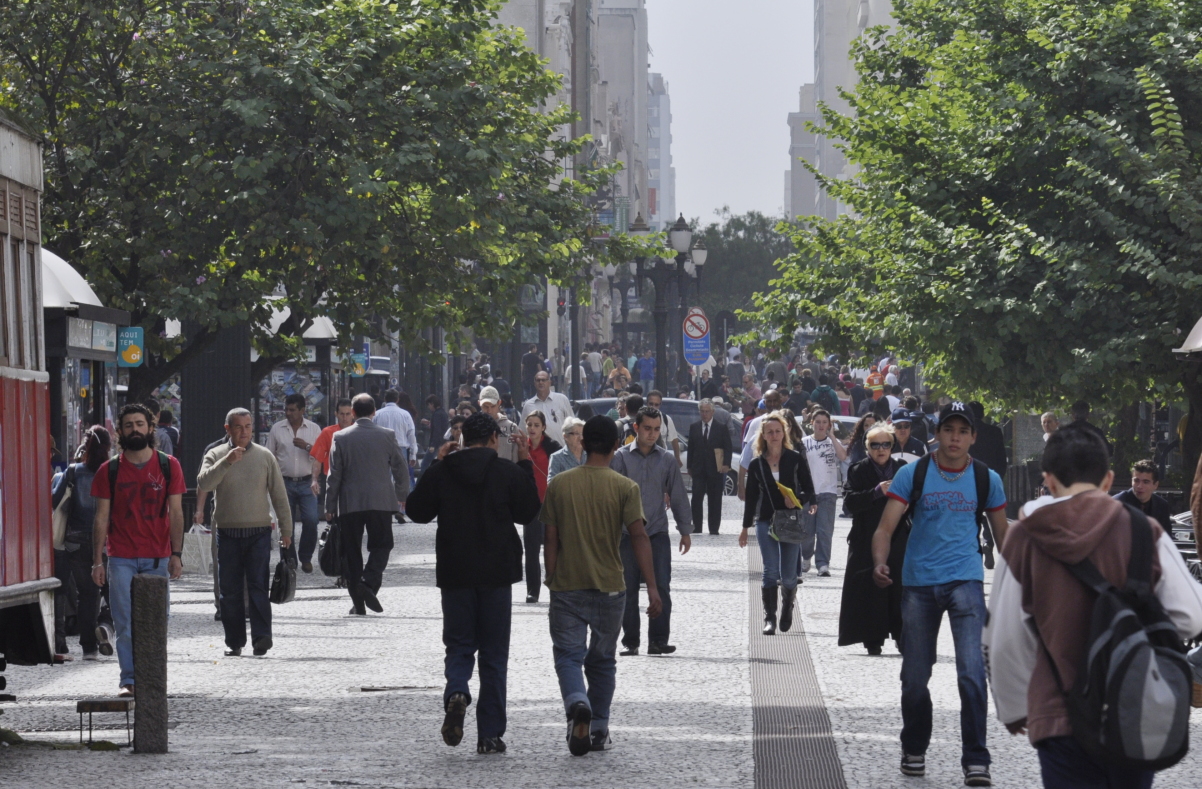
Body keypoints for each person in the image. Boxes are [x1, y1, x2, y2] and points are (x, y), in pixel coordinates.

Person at [984, 426, 1202, 789]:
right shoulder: (1142, 529)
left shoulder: (1025, 536)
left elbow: (1004, 634)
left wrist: (1014, 707)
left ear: (1049, 481)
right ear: (1109, 480)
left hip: (1058, 713)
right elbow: (1192, 615)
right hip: (1132, 708)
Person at [871, 401, 1009, 786]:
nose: (955, 438)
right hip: (919, 584)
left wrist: (1022, 582)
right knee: (915, 677)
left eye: (963, 431)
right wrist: (880, 562)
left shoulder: (986, 479)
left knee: (972, 673)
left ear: (973, 437)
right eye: (949, 429)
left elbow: (1004, 537)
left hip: (966, 581)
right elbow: (884, 528)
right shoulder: (913, 474)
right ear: (937, 434)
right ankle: (914, 746)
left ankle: (976, 759)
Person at [405, 411, 541, 755]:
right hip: (497, 573)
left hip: (456, 571)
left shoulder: (444, 471)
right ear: (494, 439)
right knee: (494, 654)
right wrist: (525, 462)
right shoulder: (506, 472)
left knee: (459, 643)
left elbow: (417, 511)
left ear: (462, 439)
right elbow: (529, 512)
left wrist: (436, 463)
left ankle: (457, 691)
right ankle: (490, 734)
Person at [541, 415, 662, 755]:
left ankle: (577, 703)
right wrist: (652, 587)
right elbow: (639, 537)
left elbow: (550, 538)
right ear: (616, 446)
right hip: (610, 587)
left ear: (582, 443)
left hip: (568, 584)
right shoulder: (625, 487)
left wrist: (551, 576)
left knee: (568, 656)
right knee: (603, 660)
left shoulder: (559, 485)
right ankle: (597, 728)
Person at [91, 404, 186, 695]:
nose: (135, 429)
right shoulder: (109, 470)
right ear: (120, 431)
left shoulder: (169, 465)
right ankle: (129, 680)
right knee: (124, 623)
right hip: (121, 557)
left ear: (150, 428)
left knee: (156, 622)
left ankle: (153, 679)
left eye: (140, 424)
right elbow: (101, 517)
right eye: (129, 425)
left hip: (158, 557)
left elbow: (176, 513)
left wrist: (176, 554)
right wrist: (97, 561)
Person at [198, 407, 293, 657]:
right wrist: (227, 461)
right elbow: (204, 482)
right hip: (227, 531)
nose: (244, 432)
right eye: (239, 427)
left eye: (248, 426)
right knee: (230, 591)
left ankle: (262, 638)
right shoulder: (215, 454)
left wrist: (286, 530)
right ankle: (235, 641)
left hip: (258, 531)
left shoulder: (264, 456)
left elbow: (279, 495)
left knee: (258, 586)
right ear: (227, 429)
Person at [611, 406, 691, 656]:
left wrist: (685, 530)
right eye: (647, 428)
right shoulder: (621, 458)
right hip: (626, 534)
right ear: (636, 428)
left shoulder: (666, 459)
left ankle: (658, 640)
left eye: (656, 429)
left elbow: (678, 495)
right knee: (628, 588)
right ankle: (630, 641)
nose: (652, 434)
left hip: (656, 532)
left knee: (662, 586)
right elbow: (610, 497)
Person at [324, 394, 410, 616]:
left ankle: (359, 602)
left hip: (350, 502)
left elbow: (334, 475)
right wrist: (402, 494)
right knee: (382, 545)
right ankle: (368, 583)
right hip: (380, 501)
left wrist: (329, 506)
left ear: (352, 413)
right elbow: (400, 467)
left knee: (352, 552)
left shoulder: (340, 437)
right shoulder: (387, 435)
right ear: (374, 412)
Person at [740, 413, 817, 635]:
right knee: (770, 570)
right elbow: (751, 498)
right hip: (766, 519)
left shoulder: (794, 458)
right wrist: (745, 528)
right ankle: (769, 617)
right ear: (763, 436)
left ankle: (788, 605)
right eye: (770, 432)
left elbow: (808, 488)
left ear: (784, 433)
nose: (774, 435)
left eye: (777, 431)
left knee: (789, 575)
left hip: (790, 519)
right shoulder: (757, 464)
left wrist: (798, 499)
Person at [839, 424, 907, 655]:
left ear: (892, 446)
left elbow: (916, 496)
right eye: (875, 445)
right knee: (868, 588)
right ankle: (872, 638)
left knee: (900, 586)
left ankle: (902, 634)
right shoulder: (859, 470)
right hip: (865, 536)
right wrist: (876, 491)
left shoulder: (902, 469)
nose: (881, 449)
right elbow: (849, 503)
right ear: (867, 448)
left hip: (898, 536)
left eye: (886, 444)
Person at [52, 426, 111, 660]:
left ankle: (89, 648)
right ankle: (106, 626)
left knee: (86, 594)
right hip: (106, 541)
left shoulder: (73, 471)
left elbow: (54, 500)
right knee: (112, 592)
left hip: (75, 541)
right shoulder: (113, 471)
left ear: (85, 447)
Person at [265, 393, 323, 573]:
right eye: (286, 410)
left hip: (306, 482)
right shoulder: (277, 429)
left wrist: (306, 446)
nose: (288, 413)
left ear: (302, 410)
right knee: (284, 524)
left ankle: (306, 556)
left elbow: (321, 455)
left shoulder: (314, 429)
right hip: (284, 482)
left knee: (311, 520)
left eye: (292, 410)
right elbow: (269, 455)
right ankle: (288, 559)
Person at [800, 410, 846, 577]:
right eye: (818, 422)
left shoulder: (834, 442)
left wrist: (832, 437)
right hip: (808, 492)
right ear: (812, 423)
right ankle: (806, 556)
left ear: (829, 424)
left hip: (828, 492)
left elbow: (843, 456)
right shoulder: (804, 442)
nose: (821, 425)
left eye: (824, 422)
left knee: (825, 531)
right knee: (807, 531)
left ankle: (823, 563)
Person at [522, 411, 561, 603]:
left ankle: (555, 586)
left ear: (543, 427)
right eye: (529, 425)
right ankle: (533, 590)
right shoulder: (522, 447)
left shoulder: (552, 446)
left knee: (553, 546)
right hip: (530, 503)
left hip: (550, 503)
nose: (532, 429)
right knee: (531, 549)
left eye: (536, 425)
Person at [688, 399, 733, 535]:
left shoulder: (721, 427)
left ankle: (714, 528)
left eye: (707, 411)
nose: (704, 414)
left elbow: (728, 447)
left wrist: (726, 464)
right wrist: (690, 466)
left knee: (715, 499)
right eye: (702, 411)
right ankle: (697, 527)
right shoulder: (694, 427)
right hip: (698, 469)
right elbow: (691, 448)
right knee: (696, 498)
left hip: (715, 469)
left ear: (712, 412)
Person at [737, 388, 785, 501]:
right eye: (769, 401)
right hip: (761, 482)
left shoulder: (789, 420)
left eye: (775, 401)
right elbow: (746, 456)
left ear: (780, 401)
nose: (772, 404)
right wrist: (741, 486)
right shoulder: (756, 423)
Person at [1112, 458, 1172, 526]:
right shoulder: (1117, 504)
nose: (1139, 486)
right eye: (1136, 481)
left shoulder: (1162, 506)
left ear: (1155, 485)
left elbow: (1165, 532)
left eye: (1145, 482)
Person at [521, 370, 574, 445]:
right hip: (538, 450)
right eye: (538, 380)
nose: (541, 382)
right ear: (534, 383)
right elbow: (523, 431)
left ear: (549, 382)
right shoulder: (528, 405)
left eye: (543, 380)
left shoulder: (562, 399)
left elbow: (572, 424)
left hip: (560, 448)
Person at [373, 388, 418, 469]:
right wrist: (413, 454)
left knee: (384, 474)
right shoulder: (405, 414)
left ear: (385, 399)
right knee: (401, 475)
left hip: (382, 449)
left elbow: (373, 433)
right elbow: (411, 434)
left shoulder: (377, 414)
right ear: (397, 400)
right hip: (400, 448)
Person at [477, 386, 520, 463]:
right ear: (479, 403)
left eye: (493, 406)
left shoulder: (511, 428)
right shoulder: (472, 427)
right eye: (485, 407)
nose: (489, 411)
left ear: (499, 403)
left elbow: (515, 458)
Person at [968, 402, 1008, 478]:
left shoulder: (962, 432)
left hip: (967, 476)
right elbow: (1001, 459)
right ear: (983, 414)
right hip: (990, 476)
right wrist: (998, 478)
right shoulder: (995, 432)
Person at [645, 390, 682, 465]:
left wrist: (677, 458)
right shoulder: (640, 419)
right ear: (647, 403)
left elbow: (674, 440)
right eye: (651, 404)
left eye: (656, 405)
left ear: (660, 404)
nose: (653, 407)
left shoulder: (666, 419)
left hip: (661, 461)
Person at [421, 395, 450, 472]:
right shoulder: (443, 413)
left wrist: (433, 445)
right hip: (441, 442)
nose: (428, 407)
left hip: (436, 443)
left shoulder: (436, 414)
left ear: (432, 404)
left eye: (428, 405)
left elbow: (437, 430)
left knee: (425, 464)